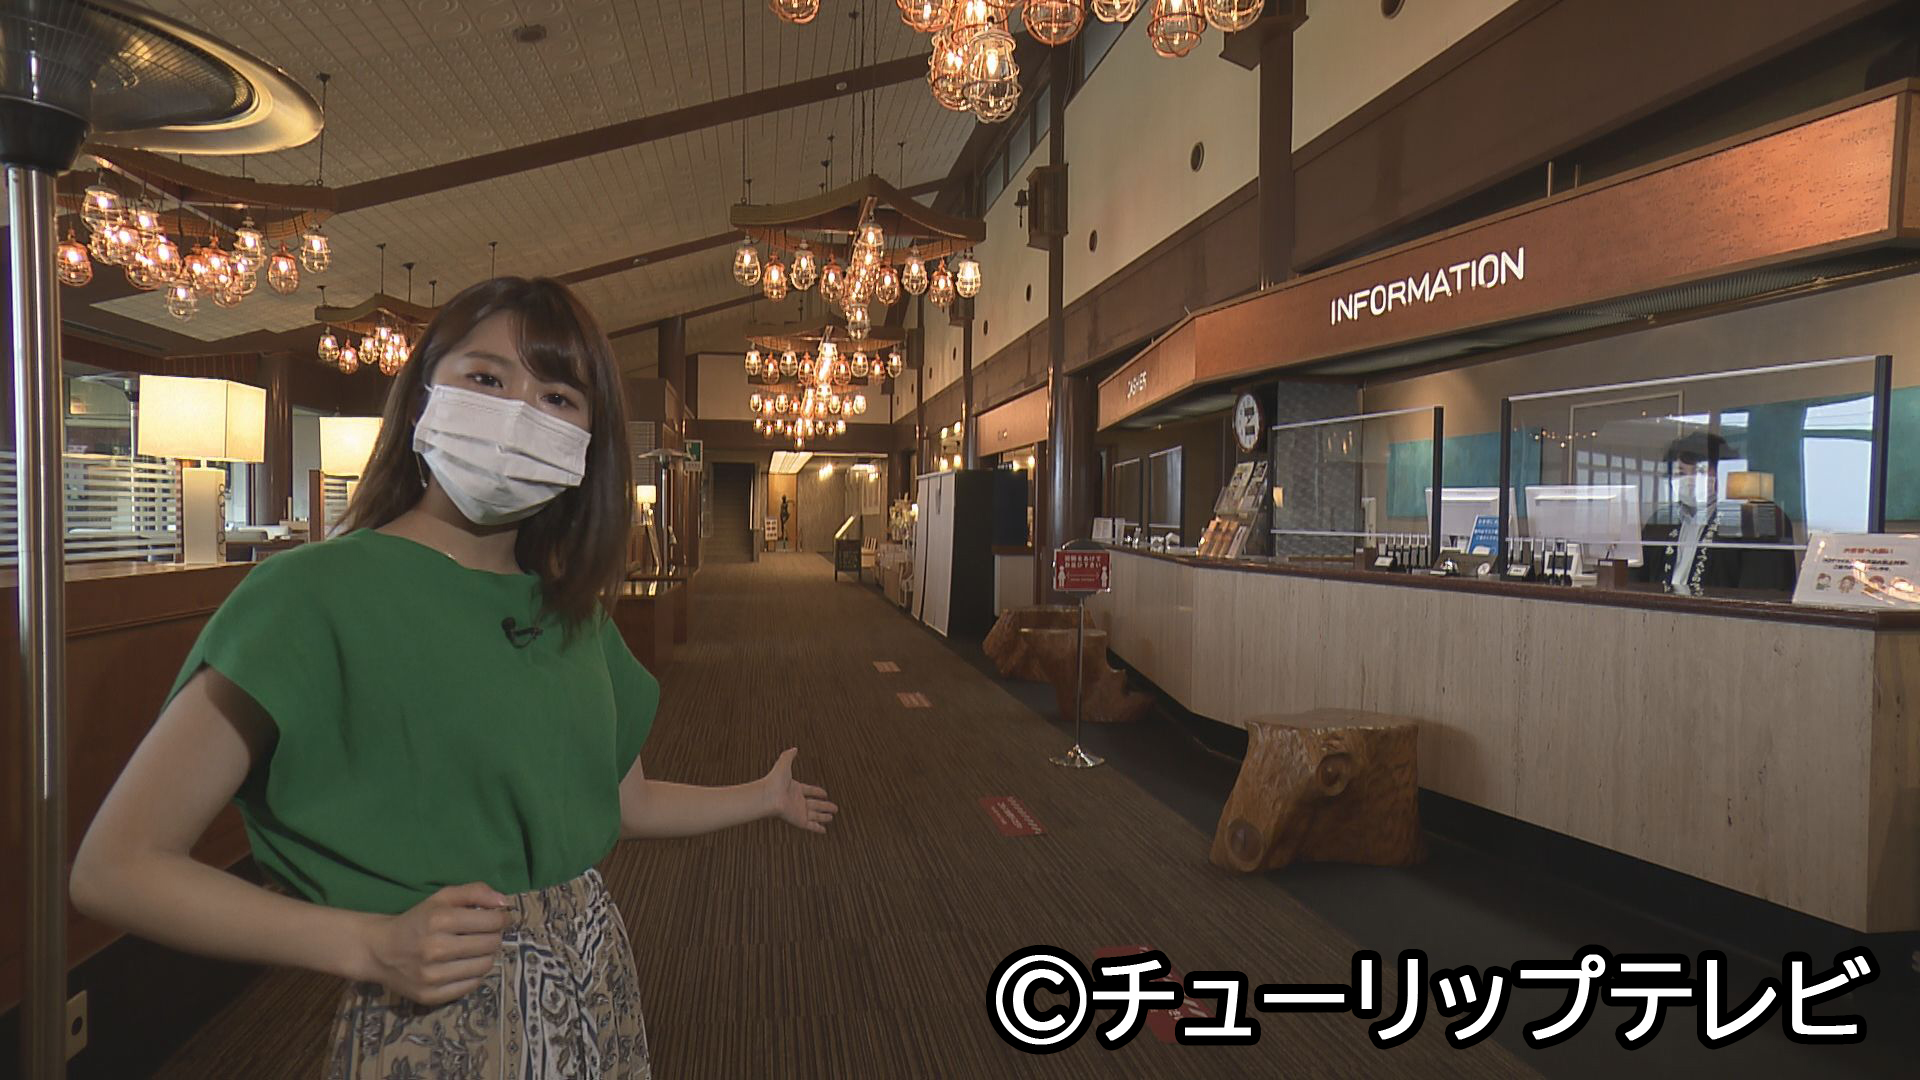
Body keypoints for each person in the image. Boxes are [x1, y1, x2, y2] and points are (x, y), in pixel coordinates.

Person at [70, 278, 838, 1077]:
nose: (519, 415)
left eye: (557, 397)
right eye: (486, 378)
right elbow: (117, 867)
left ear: (587, 443)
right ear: (421, 399)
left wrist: (762, 796)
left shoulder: (572, 610)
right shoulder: (308, 596)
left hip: (594, 983)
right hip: (439, 1011)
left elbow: (624, 803)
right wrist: (367, 943)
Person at [1633, 431, 1796, 595]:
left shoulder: (1753, 519)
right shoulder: (1662, 519)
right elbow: (1635, 581)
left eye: (1700, 470)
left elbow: (1761, 592)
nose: (1690, 480)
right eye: (1680, 474)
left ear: (1722, 472)